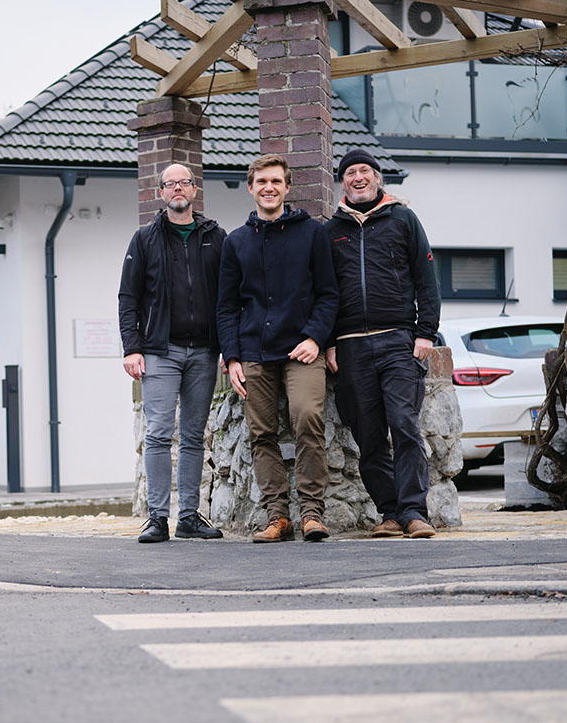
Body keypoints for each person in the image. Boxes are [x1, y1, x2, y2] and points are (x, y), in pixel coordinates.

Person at [217, 153, 338, 543]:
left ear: (287, 188)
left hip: (302, 348)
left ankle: (312, 515)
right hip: (254, 351)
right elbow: (226, 306)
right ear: (251, 188)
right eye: (261, 182)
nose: (268, 188)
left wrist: (315, 338)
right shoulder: (235, 242)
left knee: (307, 419)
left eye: (276, 182)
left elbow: (329, 294)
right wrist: (232, 356)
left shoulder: (312, 233)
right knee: (262, 433)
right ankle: (277, 517)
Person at [324, 149, 442, 539]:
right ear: (341, 182)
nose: (358, 177)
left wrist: (425, 331)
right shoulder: (331, 230)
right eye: (350, 173)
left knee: (404, 425)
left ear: (377, 178)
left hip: (398, 341)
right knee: (368, 436)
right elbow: (323, 292)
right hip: (351, 346)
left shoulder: (403, 219)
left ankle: (413, 512)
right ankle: (389, 513)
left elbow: (427, 278)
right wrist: (329, 343)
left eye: (364, 171)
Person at [119, 163, 227, 543]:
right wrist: (132, 348)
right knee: (159, 434)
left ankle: (189, 518)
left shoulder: (216, 237)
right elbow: (128, 298)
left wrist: (228, 349)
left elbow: (228, 298)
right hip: (159, 352)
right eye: (170, 184)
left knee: (195, 435)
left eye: (184, 182)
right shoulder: (144, 239)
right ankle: (158, 518)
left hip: (204, 352)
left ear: (194, 190)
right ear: (160, 193)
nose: (177, 188)